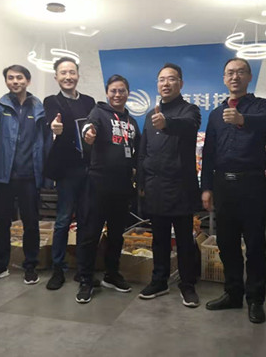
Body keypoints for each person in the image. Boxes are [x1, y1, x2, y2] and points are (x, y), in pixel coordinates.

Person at [201, 58, 266, 324]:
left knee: (255, 244)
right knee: (226, 243)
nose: (235, 77)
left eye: (240, 72)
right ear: (224, 78)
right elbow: (209, 153)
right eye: (230, 73)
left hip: (251, 183)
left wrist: (241, 119)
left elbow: (263, 122)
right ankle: (233, 293)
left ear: (249, 77)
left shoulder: (262, 106)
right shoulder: (215, 114)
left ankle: (255, 299)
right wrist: (207, 188)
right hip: (223, 185)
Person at [0, 65, 51, 285]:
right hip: (4, 175)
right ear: (6, 82)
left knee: (31, 223)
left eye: (19, 77)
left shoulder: (38, 107)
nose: (15, 81)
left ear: (27, 81)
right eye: (10, 78)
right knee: (2, 222)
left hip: (30, 175)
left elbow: (46, 139)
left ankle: (30, 266)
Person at [137, 63, 201, 308]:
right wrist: (141, 183)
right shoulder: (149, 115)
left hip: (181, 187)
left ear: (180, 83)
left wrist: (166, 123)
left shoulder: (190, 111)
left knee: (184, 240)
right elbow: (143, 151)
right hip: (154, 186)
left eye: (171, 79)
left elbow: (189, 125)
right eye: (161, 79)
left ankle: (188, 284)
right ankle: (159, 280)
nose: (166, 83)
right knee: (159, 239)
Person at [75, 74, 140, 304]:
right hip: (98, 184)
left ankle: (112, 274)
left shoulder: (132, 122)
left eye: (122, 90)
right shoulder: (98, 112)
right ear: (107, 93)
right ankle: (85, 279)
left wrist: (136, 171)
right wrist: (88, 134)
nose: (117, 94)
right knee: (91, 234)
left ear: (128, 93)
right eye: (113, 90)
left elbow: (138, 150)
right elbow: (88, 128)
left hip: (122, 186)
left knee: (116, 234)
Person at [43, 57, 96, 290]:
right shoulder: (51, 101)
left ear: (78, 75)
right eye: (63, 73)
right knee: (63, 220)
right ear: (56, 77)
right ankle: (58, 269)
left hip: (88, 169)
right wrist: (55, 128)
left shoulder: (89, 101)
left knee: (85, 220)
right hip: (66, 171)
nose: (68, 77)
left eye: (72, 72)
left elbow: (93, 125)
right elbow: (51, 122)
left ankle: (83, 270)